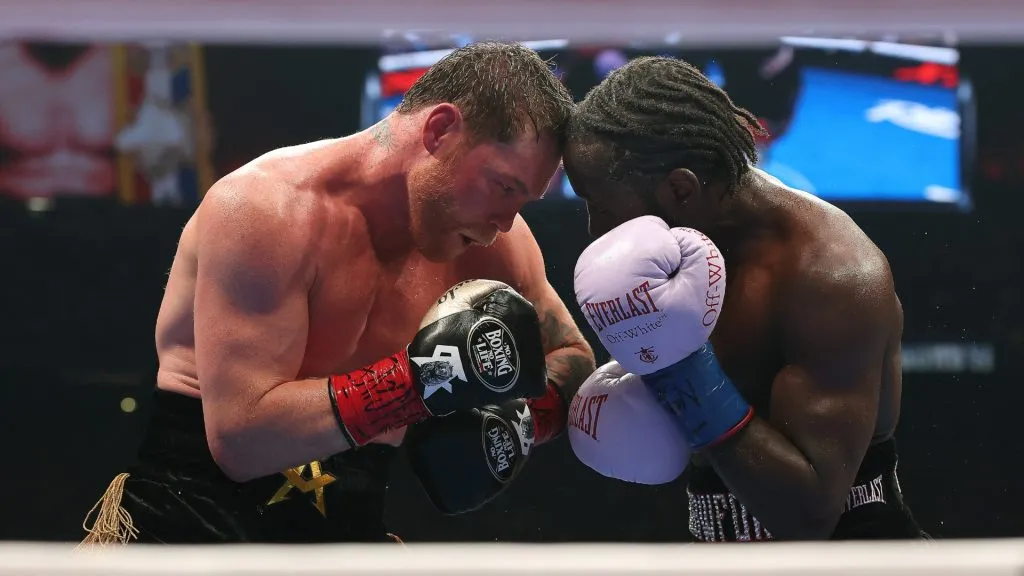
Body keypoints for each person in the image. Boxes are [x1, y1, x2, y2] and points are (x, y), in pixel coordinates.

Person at [79, 41, 596, 545]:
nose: (503, 223)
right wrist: (421, 382)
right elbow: (240, 441)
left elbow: (572, 356)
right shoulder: (266, 210)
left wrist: (521, 418)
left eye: (523, 201)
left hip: (347, 533)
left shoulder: (493, 241)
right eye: (504, 187)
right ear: (440, 130)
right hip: (190, 527)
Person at [563, 55, 925, 541]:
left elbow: (810, 513)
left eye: (601, 207)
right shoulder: (675, 254)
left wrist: (681, 373)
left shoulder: (828, 276)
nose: (594, 230)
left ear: (680, 189)